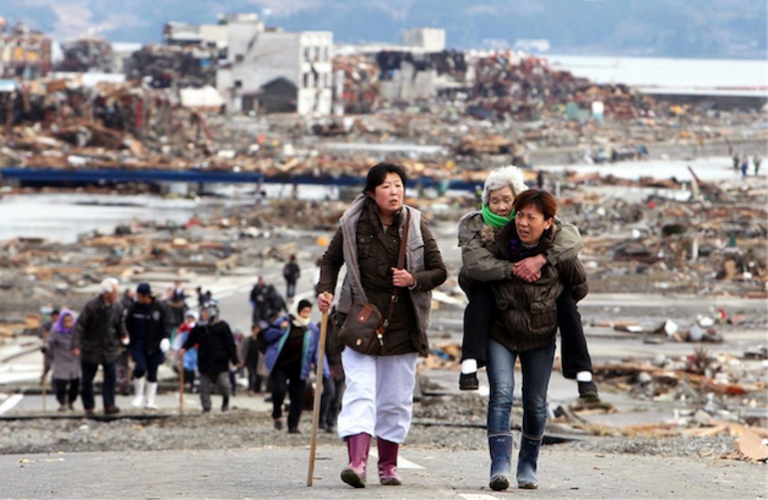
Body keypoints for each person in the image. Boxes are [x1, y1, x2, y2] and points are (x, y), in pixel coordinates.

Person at [317, 162, 447, 488]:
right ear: (372, 193)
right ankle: (356, 463)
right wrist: (325, 291)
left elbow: (439, 271)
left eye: (399, 185)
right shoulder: (351, 224)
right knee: (360, 390)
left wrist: (413, 279)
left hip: (403, 326)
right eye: (387, 186)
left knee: (396, 398)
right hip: (359, 321)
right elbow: (331, 260)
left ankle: (388, 466)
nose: (394, 191)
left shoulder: (416, 224)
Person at [473, 189, 588, 491]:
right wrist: (506, 273)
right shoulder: (497, 242)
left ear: (548, 222)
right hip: (500, 331)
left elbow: (580, 287)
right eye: (519, 215)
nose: (523, 223)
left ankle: (527, 464)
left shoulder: (558, 251)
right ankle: (499, 465)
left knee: (536, 404)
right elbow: (468, 275)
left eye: (531, 218)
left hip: (540, 334)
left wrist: (552, 296)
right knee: (501, 395)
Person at [457, 166, 598, 403]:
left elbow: (571, 238)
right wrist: (514, 269)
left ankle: (583, 374)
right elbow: (472, 264)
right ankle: (469, 364)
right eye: (494, 201)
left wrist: (542, 260)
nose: (501, 207)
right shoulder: (476, 226)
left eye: (507, 200)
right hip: (500, 315)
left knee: (535, 402)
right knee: (481, 298)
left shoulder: (537, 225)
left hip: (539, 317)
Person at [263, 299, 328, 434]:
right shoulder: (283, 322)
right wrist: (281, 329)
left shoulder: (312, 329)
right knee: (279, 391)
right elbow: (267, 336)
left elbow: (317, 352)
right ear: (297, 310)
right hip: (280, 365)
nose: (305, 315)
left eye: (308, 312)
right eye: (303, 311)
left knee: (298, 397)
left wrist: (322, 371)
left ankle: (293, 425)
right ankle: (277, 414)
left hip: (300, 368)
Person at [71, 277, 126, 416]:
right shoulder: (91, 306)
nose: (117, 295)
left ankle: (109, 404)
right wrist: (75, 345)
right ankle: (89, 406)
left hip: (109, 348)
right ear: (106, 293)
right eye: (115, 292)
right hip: (91, 348)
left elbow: (120, 324)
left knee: (111, 378)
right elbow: (80, 326)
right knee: (87, 380)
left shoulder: (117, 306)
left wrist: (124, 335)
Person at [180, 302, 239, 413]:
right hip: (204, 362)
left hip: (220, 362)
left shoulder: (222, 326)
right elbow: (191, 339)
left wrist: (234, 359)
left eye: (206, 311)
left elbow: (230, 344)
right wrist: (184, 348)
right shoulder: (199, 327)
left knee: (224, 385)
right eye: (202, 311)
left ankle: (225, 400)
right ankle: (206, 407)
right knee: (204, 386)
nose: (203, 314)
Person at [124, 283, 173, 410]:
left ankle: (150, 400)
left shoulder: (159, 307)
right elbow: (126, 323)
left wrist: (166, 337)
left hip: (155, 344)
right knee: (140, 368)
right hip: (138, 343)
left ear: (145, 296)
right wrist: (126, 337)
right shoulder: (134, 308)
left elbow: (167, 322)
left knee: (153, 371)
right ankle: (138, 395)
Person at [42, 309, 81, 411]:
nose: (68, 323)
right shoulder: (56, 331)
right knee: (61, 383)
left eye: (70, 321)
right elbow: (49, 341)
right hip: (61, 359)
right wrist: (45, 347)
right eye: (66, 321)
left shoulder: (77, 332)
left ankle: (71, 401)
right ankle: (62, 401)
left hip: (74, 360)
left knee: (75, 383)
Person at [320, 310, 345, 434]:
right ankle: (322, 419)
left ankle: (331, 421)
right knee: (330, 392)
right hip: (328, 365)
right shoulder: (324, 328)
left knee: (338, 397)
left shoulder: (346, 329)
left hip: (341, 367)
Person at [173, 310, 199, 392]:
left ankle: (192, 384)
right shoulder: (183, 327)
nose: (190, 319)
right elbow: (178, 339)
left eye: (192, 318)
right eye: (189, 318)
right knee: (185, 366)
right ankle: (185, 383)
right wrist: (176, 349)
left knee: (193, 367)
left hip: (194, 350)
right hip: (184, 351)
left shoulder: (197, 328)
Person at [239, 322, 267, 393]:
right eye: (255, 330)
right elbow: (243, 349)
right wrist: (242, 359)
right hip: (250, 359)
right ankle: (251, 388)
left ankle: (257, 389)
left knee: (259, 375)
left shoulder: (263, 339)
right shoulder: (248, 339)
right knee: (251, 374)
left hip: (259, 360)